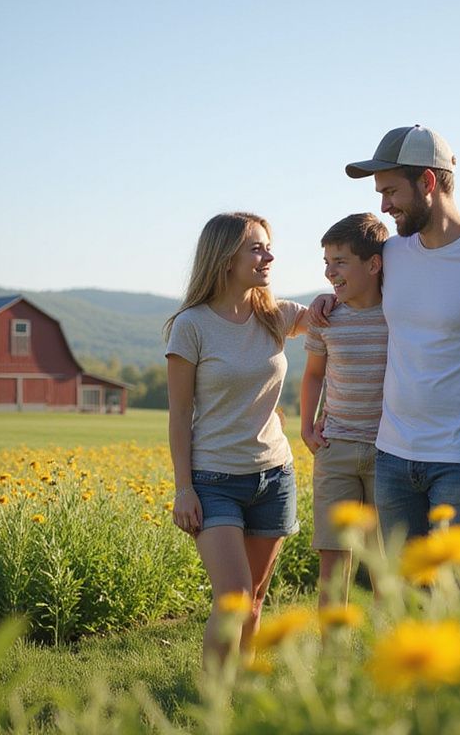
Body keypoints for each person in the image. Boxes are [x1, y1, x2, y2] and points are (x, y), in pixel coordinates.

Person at [316, 125, 460, 546]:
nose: (383, 206)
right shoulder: (393, 254)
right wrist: (324, 301)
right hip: (393, 457)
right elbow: (355, 289)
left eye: (391, 192)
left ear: (428, 182)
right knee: (403, 596)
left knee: (456, 591)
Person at [164, 212, 308, 671]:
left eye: (268, 246)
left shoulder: (277, 315)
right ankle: (210, 703)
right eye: (257, 248)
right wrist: (183, 488)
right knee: (234, 599)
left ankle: (241, 696)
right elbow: (180, 413)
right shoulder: (191, 326)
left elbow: (336, 314)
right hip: (214, 480)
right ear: (225, 258)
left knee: (255, 601)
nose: (269, 256)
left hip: (274, 476)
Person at [299, 212, 389, 608]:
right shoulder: (326, 317)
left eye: (340, 262)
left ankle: (393, 658)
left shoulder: (398, 314)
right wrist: (305, 426)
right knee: (334, 567)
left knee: (385, 565)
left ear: (373, 263)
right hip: (335, 450)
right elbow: (314, 375)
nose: (329, 272)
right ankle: (331, 665)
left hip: (390, 453)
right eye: (326, 262)